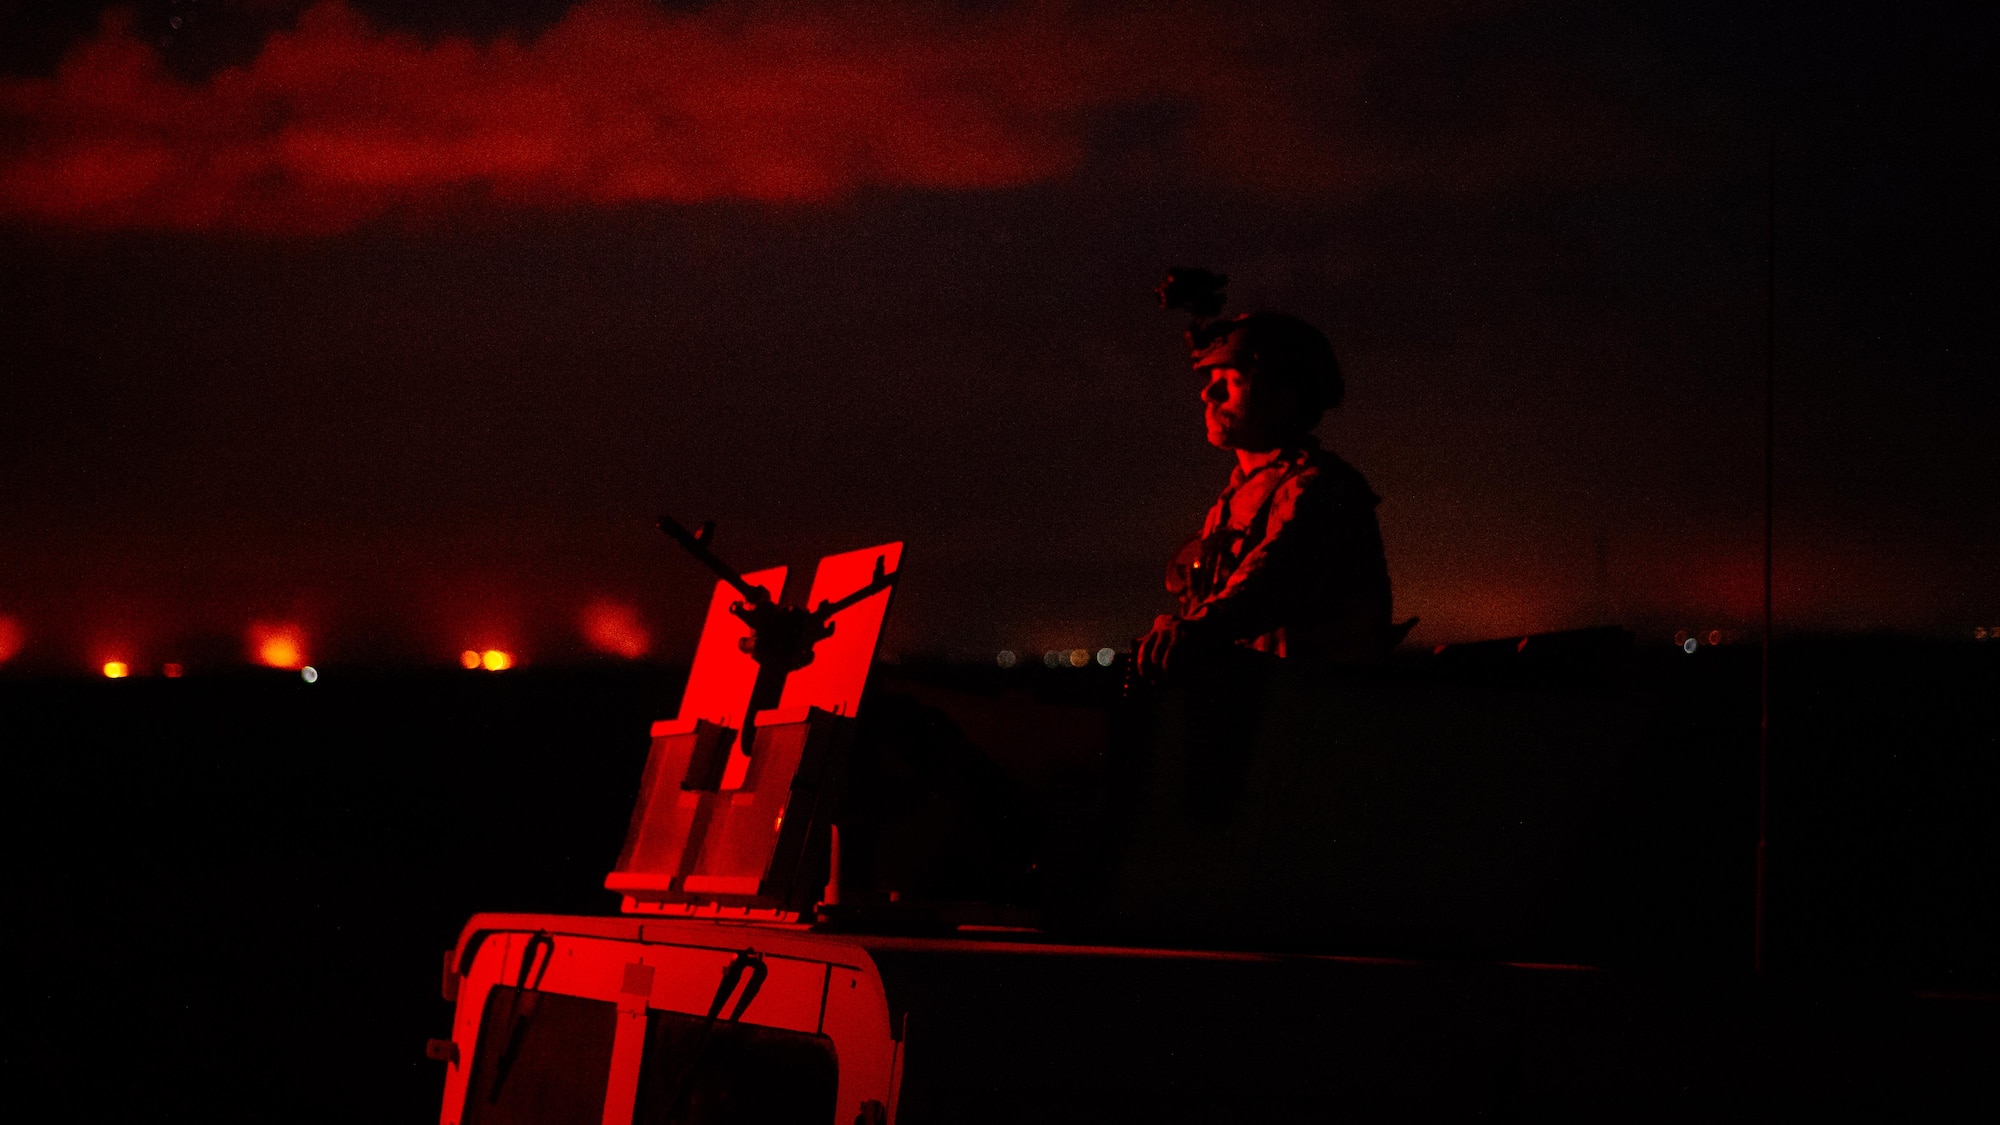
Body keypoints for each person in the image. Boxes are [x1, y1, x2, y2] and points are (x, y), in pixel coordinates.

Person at [1131, 309, 1402, 678]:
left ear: (1285, 395)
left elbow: (1273, 581)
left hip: (1320, 713)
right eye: (1212, 377)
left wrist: (1195, 629)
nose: (1209, 392)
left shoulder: (1324, 488)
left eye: (1233, 378)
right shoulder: (1233, 501)